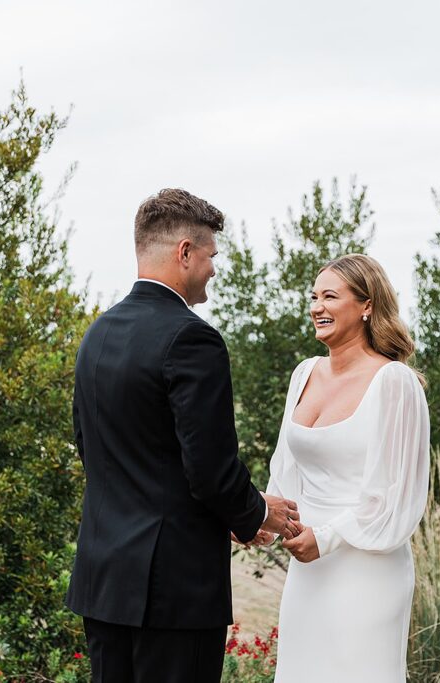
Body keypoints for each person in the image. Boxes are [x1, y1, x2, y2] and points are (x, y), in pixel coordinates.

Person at [65, 188, 301, 683]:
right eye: (211, 255)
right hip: (174, 591)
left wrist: (234, 516)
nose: (214, 269)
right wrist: (256, 511)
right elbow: (209, 469)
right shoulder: (194, 338)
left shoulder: (97, 335)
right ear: (185, 253)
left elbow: (92, 448)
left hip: (104, 581)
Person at [266, 253, 430, 682]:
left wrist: (327, 537)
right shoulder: (304, 374)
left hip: (367, 567)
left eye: (330, 296)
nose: (317, 306)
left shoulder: (396, 383)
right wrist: (263, 518)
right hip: (307, 566)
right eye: (314, 296)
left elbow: (397, 497)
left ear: (367, 305)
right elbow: (286, 468)